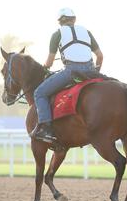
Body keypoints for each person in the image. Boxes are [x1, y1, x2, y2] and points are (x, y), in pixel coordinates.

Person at [30, 8, 104, 143]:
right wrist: (96, 73)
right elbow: (100, 56)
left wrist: (45, 67)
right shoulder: (86, 32)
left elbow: (50, 62)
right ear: (74, 20)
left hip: (71, 72)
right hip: (91, 72)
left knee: (39, 93)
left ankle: (46, 128)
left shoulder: (57, 34)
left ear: (60, 22)